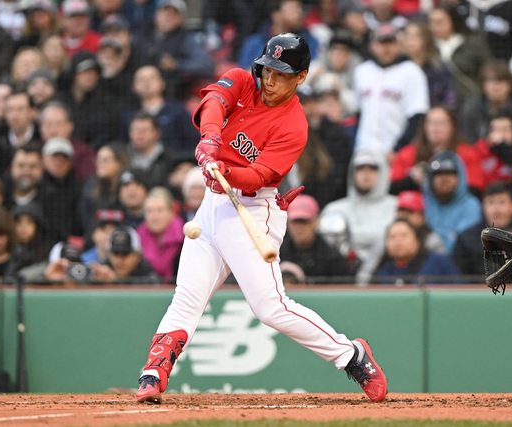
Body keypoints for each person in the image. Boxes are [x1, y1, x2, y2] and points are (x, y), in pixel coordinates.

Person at [135, 33, 388, 405]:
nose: (270, 80)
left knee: (271, 308)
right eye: (268, 70)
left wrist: (226, 172)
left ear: (301, 77)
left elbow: (259, 176)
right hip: (212, 205)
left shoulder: (294, 125)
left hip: (253, 209)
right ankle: (154, 372)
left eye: (281, 74)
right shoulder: (242, 81)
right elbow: (213, 102)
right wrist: (210, 140)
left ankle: (351, 355)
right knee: (187, 295)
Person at [319, 150, 398, 285]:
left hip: (385, 278)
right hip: (341, 280)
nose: (366, 173)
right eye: (360, 168)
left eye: (372, 168)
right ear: (352, 172)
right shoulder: (334, 209)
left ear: (383, 172)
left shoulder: (396, 207)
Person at [353, 24, 429, 154]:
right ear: (372, 46)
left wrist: (398, 149)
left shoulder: (412, 71)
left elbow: (417, 116)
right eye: (381, 43)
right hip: (364, 149)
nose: (386, 48)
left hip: (396, 151)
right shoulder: (362, 71)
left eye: (391, 43)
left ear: (399, 45)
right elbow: (358, 113)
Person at [453, 181, 512, 279]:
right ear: (483, 206)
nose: (496, 209)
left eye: (502, 202)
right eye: (490, 202)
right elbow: (457, 277)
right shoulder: (466, 239)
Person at [280, 194, 353, 283]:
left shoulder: (332, 258)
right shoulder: (277, 252)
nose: (299, 227)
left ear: (316, 221)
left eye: (304, 221)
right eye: (295, 222)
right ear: (287, 222)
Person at [422, 150, 481, 253]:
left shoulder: (471, 205)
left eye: (450, 173)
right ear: (430, 179)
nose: (444, 179)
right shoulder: (422, 203)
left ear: (460, 177)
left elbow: (465, 243)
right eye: (438, 174)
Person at [373, 218, 460, 285]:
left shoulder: (439, 262)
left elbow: (459, 290)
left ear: (417, 240)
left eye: (404, 235)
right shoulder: (382, 270)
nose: (398, 241)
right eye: (392, 237)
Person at [136, 187, 184, 282]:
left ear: (171, 213)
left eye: (160, 210)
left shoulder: (185, 238)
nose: (155, 216)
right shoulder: (137, 238)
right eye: (149, 211)